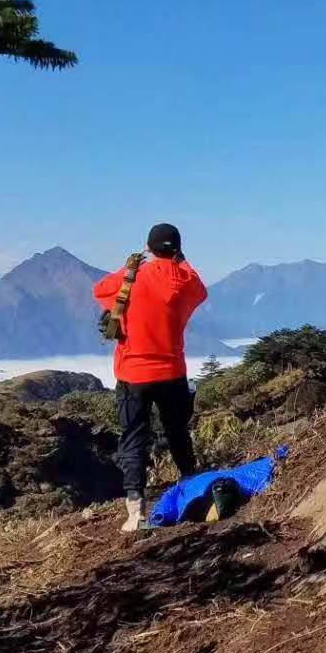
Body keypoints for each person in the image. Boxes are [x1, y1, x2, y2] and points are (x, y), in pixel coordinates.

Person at [92, 222, 209, 531]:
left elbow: (99, 289)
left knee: (133, 438)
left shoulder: (131, 279)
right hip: (172, 371)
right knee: (177, 432)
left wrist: (129, 267)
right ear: (178, 249)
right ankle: (191, 487)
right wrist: (181, 260)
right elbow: (200, 287)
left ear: (149, 247)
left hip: (133, 374)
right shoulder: (184, 281)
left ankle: (135, 512)